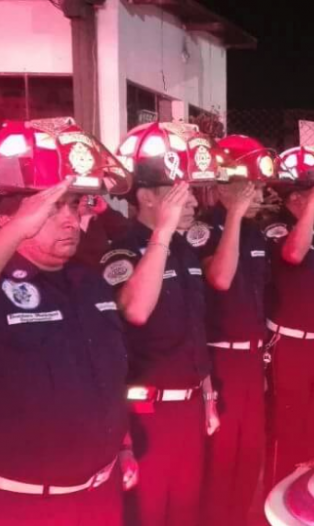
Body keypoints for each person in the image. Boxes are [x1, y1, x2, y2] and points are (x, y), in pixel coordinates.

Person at [0, 118, 138, 526]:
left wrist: (120, 445)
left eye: (75, 204)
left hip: (101, 498)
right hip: (19, 508)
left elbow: (105, 375)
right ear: (6, 217)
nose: (71, 219)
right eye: (53, 206)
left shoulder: (88, 284)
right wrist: (20, 229)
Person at [106, 122, 220, 526]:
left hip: (189, 408)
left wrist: (207, 393)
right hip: (147, 415)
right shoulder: (123, 250)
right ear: (146, 197)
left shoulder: (184, 250)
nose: (192, 204)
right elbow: (135, 311)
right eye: (179, 193)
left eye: (191, 194)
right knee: (150, 512)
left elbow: (194, 329)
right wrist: (163, 235)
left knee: (187, 509)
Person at [197, 134, 278, 526]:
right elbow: (220, 278)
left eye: (260, 187)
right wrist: (232, 216)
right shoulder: (203, 228)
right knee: (222, 457)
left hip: (250, 359)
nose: (258, 194)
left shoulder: (256, 232)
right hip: (220, 359)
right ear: (220, 187)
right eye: (249, 186)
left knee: (249, 454)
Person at [263, 147, 314, 488]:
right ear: (295, 198)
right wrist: (311, 207)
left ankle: (303, 500)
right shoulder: (278, 229)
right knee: (287, 431)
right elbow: (294, 254)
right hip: (290, 347)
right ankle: (275, 503)